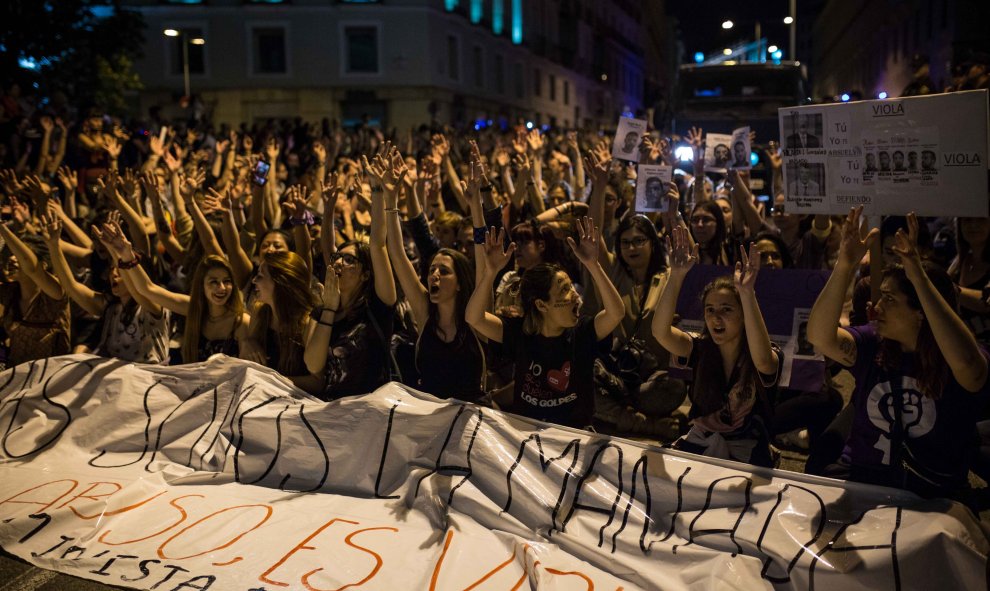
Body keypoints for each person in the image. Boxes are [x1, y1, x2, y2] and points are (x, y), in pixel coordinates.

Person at [806, 208, 989, 499]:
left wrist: (919, 279)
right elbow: (818, 336)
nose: (876, 308)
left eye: (889, 300)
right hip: (864, 478)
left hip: (929, 491)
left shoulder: (958, 354)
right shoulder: (873, 342)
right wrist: (844, 265)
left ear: (920, 312)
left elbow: (971, 368)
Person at [466, 218, 625, 429]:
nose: (575, 296)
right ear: (541, 305)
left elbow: (616, 312)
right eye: (564, 290)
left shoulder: (583, 332)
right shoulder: (519, 332)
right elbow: (473, 318)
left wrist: (592, 265)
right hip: (528, 437)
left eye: (572, 288)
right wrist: (490, 273)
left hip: (572, 437)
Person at [651, 226, 782, 466]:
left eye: (726, 309)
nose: (716, 318)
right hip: (702, 439)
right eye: (710, 310)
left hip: (747, 448)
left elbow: (764, 362)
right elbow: (660, 332)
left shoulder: (764, 350)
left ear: (744, 315)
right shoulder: (699, 347)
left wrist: (747, 294)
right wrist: (677, 276)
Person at [304, 147, 397, 399]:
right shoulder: (323, 311)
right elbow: (313, 366)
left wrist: (377, 189)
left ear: (366, 273)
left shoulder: (378, 305)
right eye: (337, 259)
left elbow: (377, 244)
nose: (340, 263)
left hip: (371, 412)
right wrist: (330, 309)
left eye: (349, 260)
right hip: (332, 411)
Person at [98, 220, 250, 363]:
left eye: (227, 281)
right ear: (201, 286)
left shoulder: (241, 322)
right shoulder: (193, 308)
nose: (222, 288)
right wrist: (126, 254)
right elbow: (147, 289)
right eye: (214, 282)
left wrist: (252, 342)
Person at [42, 212, 171, 364]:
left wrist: (114, 247)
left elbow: (141, 289)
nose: (113, 273)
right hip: (115, 383)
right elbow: (71, 287)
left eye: (120, 269)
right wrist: (53, 246)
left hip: (148, 380)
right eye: (112, 268)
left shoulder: (153, 305)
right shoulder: (111, 308)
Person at [0, 221, 70, 365]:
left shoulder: (54, 293)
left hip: (49, 377)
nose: (13, 259)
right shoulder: (8, 292)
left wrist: (2, 228)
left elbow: (32, 268)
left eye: (19, 256)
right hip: (15, 374)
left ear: (43, 265)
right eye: (12, 255)